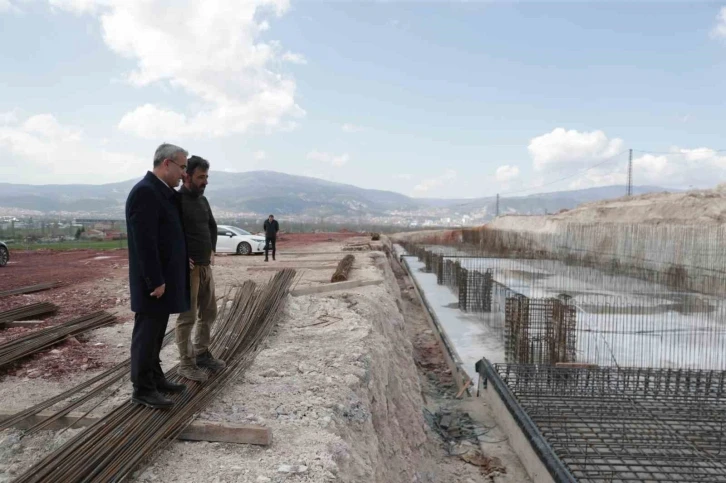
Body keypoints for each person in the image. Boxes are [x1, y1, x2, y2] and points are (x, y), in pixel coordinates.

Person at [126, 143, 191, 409]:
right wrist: (155, 280)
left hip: (162, 281)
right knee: (146, 334)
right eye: (182, 167)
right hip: (153, 284)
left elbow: (167, 237)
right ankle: (142, 389)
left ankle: (155, 378)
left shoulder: (161, 192)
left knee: (156, 335)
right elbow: (145, 243)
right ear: (166, 164)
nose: (184, 174)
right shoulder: (145, 193)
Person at [176, 155, 226, 382]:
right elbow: (167, 235)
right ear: (186, 176)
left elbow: (212, 226)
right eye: (200, 177)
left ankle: (202, 353)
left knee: (209, 312)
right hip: (188, 270)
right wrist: (179, 257)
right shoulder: (175, 201)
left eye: (206, 177)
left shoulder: (202, 200)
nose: (205, 182)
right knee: (187, 317)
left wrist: (212, 249)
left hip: (205, 267)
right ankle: (186, 364)